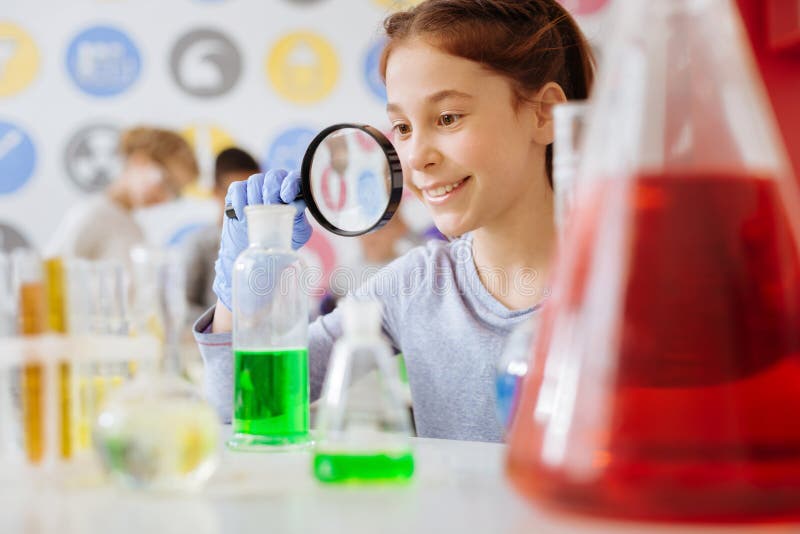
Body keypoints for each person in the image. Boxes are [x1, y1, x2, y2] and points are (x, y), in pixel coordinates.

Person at [196, 0, 594, 442]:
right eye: (402, 128)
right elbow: (241, 407)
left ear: (544, 114)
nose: (418, 157)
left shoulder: (627, 287)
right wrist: (240, 293)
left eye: (448, 118)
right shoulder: (416, 286)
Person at [47, 127, 198, 263]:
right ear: (140, 160)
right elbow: (51, 275)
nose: (166, 198)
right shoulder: (93, 215)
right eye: (167, 182)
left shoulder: (132, 227)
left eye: (176, 193)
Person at [183, 147, 260, 317]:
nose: (245, 202)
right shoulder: (200, 243)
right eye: (235, 194)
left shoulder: (268, 244)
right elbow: (183, 307)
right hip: (214, 339)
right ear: (216, 192)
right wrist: (221, 324)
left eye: (252, 192)